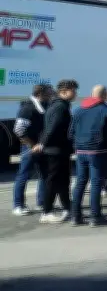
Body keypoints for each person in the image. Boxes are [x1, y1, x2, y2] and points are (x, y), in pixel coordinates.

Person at [70, 85, 107, 227]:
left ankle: (75, 216)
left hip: (81, 151)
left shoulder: (78, 110)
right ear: (104, 96)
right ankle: (95, 216)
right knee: (96, 183)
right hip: (98, 152)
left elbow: (71, 132)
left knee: (80, 182)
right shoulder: (106, 111)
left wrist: (77, 145)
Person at [36, 79, 78, 224]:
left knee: (63, 181)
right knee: (53, 181)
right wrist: (42, 144)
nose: (75, 93)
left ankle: (68, 208)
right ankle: (46, 211)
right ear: (64, 91)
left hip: (59, 150)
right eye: (73, 90)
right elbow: (52, 128)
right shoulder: (60, 107)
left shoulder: (58, 105)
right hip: (55, 151)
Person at [11, 83, 51, 216]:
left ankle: (42, 202)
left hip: (40, 146)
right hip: (30, 147)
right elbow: (18, 130)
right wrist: (32, 145)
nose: (51, 94)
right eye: (49, 92)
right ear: (40, 93)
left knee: (44, 174)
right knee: (24, 175)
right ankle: (18, 205)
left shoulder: (43, 106)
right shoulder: (28, 108)